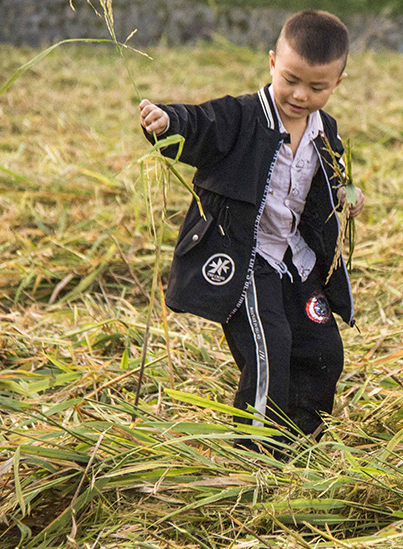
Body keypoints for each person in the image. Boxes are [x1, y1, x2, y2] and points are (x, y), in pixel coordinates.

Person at [139, 10, 365, 450]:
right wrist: (166, 122)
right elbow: (200, 125)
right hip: (246, 256)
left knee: (323, 348)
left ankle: (302, 439)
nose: (300, 95)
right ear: (271, 64)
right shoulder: (241, 118)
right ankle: (254, 453)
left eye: (317, 87)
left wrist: (348, 194)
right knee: (270, 346)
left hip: (295, 260)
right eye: (291, 79)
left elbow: (335, 177)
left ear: (337, 84)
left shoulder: (326, 132)